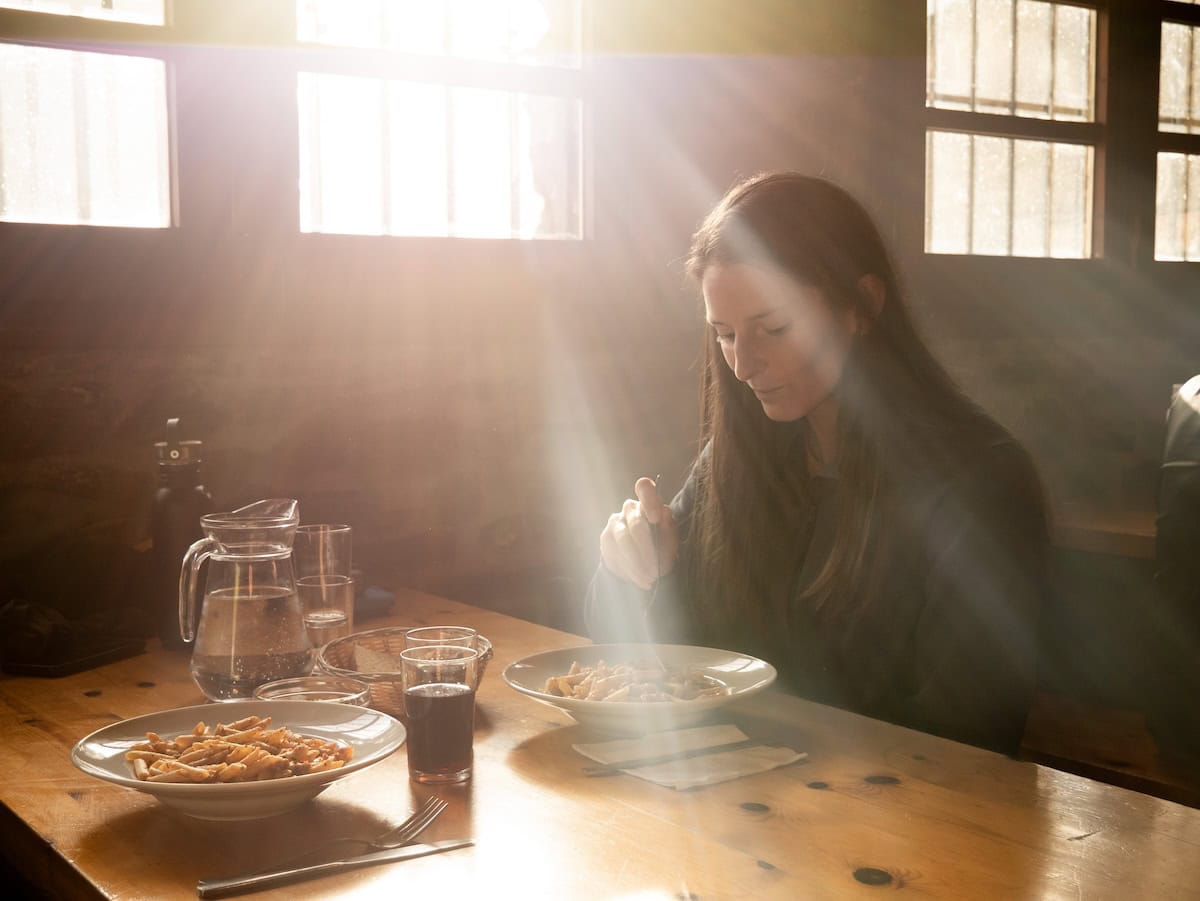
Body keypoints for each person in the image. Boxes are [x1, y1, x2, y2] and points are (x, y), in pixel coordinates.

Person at [587, 172, 1050, 756]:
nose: (742, 364)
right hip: (737, 804)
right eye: (724, 335)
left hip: (901, 821)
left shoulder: (980, 481)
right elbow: (641, 659)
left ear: (862, 306)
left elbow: (971, 731)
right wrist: (628, 566)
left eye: (773, 328)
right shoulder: (741, 457)